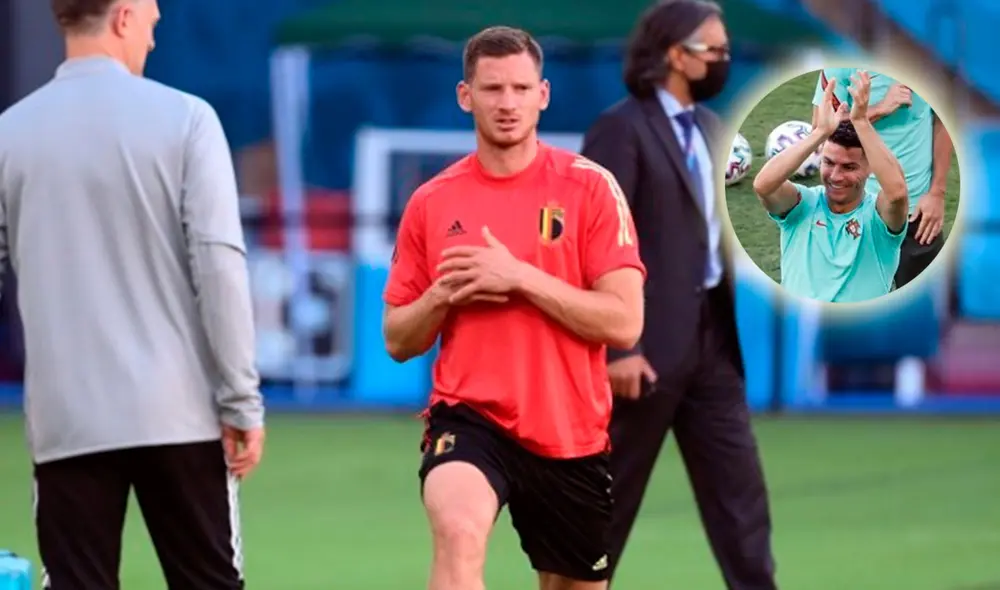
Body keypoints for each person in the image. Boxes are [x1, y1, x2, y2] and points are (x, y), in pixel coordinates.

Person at [0, 0, 265, 588]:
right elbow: (220, 265)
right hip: (180, 413)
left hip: (66, 419)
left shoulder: (9, 134)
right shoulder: (188, 119)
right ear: (121, 18)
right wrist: (241, 400)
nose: (153, 35)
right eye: (150, 20)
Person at [382, 25, 646, 590]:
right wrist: (440, 296)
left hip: (570, 433)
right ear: (465, 95)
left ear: (543, 94)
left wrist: (522, 277)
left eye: (521, 89)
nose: (507, 103)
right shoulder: (432, 201)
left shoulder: (590, 189)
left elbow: (625, 321)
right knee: (458, 531)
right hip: (471, 418)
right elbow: (398, 339)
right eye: (493, 88)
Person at [580, 1, 777, 587]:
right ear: (673, 54)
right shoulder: (620, 128)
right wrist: (617, 349)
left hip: (714, 346)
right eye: (712, 49)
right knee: (605, 510)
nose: (723, 60)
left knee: (743, 506)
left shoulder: (717, 132)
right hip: (643, 348)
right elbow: (594, 243)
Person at [755, 71, 910, 303]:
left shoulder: (877, 218)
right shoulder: (803, 205)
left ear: (869, 169)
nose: (836, 176)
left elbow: (897, 194)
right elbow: (764, 186)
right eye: (828, 162)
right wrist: (819, 133)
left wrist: (861, 121)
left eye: (849, 167)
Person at [811, 67, 954, 288]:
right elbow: (821, 131)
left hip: (917, 213)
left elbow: (942, 122)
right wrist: (879, 109)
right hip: (856, 212)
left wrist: (937, 193)